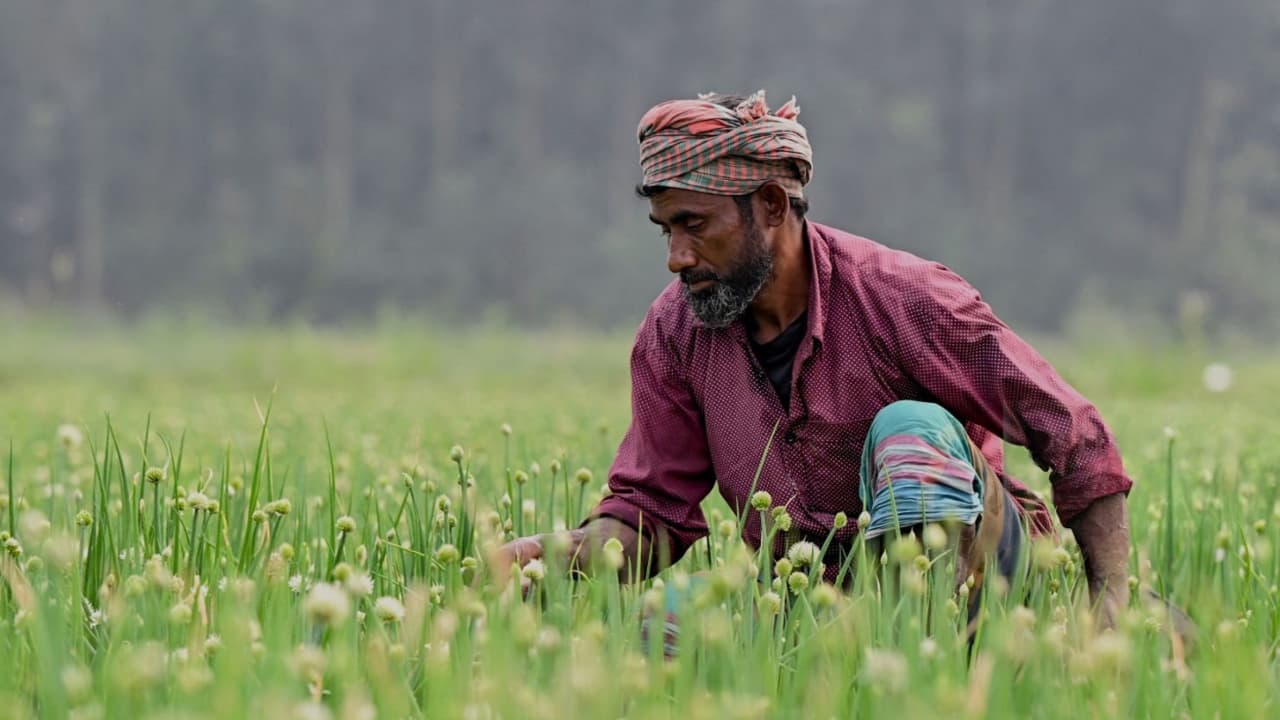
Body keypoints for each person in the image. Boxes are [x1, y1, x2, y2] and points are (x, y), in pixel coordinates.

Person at [492, 90, 1132, 630]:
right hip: (817, 602)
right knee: (668, 623)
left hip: (989, 587)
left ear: (771, 205)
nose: (676, 257)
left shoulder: (903, 297)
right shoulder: (674, 333)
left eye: (695, 225)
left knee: (909, 432)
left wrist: (1109, 605)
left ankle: (935, 660)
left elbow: (1075, 435)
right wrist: (557, 557)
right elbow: (651, 512)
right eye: (667, 230)